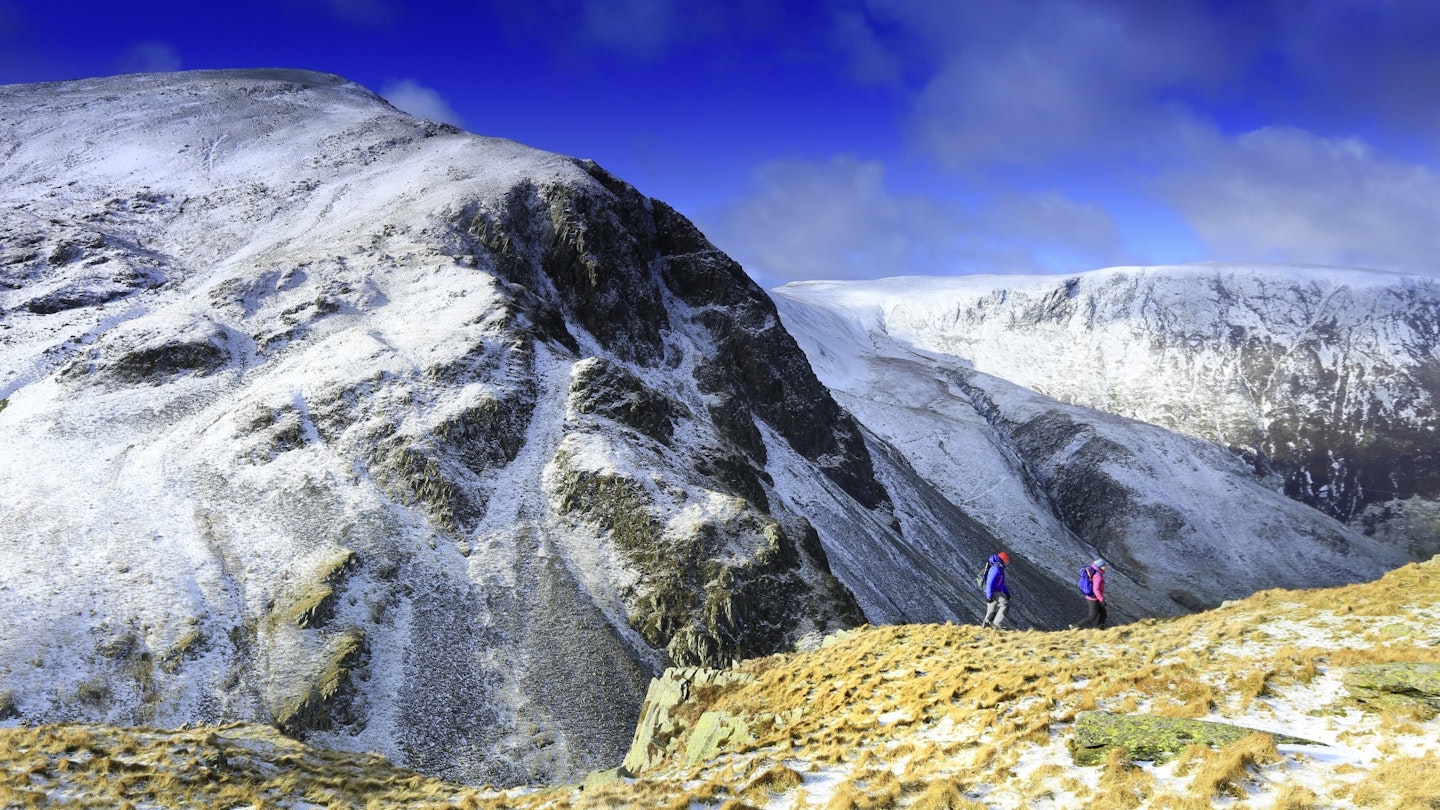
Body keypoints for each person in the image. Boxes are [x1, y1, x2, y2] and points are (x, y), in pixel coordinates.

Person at [981, 551, 1011, 629]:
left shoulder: (999, 569)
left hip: (992, 592)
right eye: (1007, 560)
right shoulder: (996, 569)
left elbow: (1001, 583)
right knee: (1005, 605)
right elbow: (989, 582)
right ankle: (997, 624)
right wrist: (989, 596)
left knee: (992, 611)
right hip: (992, 592)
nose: (1008, 562)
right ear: (1003, 560)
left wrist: (1006, 592)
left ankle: (984, 628)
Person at [1074, 558, 1108, 629]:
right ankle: (1075, 626)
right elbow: (1096, 589)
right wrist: (1101, 600)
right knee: (1092, 617)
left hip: (1093, 597)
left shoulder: (1095, 573)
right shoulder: (1098, 576)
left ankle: (1100, 629)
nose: (1106, 567)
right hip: (1094, 599)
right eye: (1104, 565)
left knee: (1103, 614)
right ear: (1100, 566)